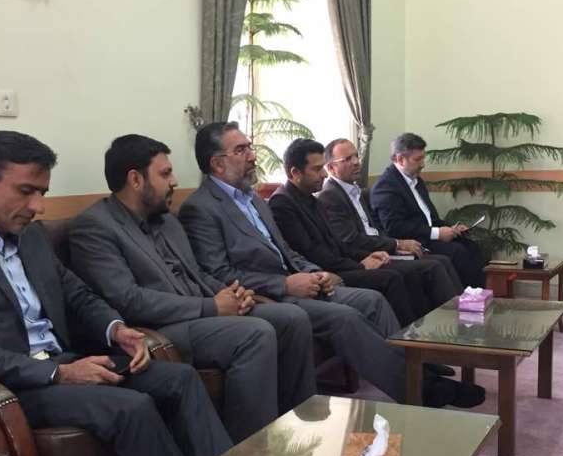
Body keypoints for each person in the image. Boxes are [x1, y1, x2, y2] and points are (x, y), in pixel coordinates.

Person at [0, 130, 232, 456]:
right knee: (130, 407)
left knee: (180, 379)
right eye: (26, 191)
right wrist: (58, 373)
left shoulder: (30, 235)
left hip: (63, 362)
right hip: (7, 389)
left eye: (42, 193)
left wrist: (116, 329)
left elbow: (76, 295)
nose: (38, 206)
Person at [178, 121, 485, 408]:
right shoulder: (200, 208)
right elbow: (218, 274)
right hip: (266, 296)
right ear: (217, 163)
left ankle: (419, 372)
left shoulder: (254, 200)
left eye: (249, 147)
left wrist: (315, 272)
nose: (252, 155)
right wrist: (285, 283)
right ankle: (421, 391)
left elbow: (285, 251)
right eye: (241, 150)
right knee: (345, 317)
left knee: (372, 300)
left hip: (303, 280)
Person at [68, 134, 316, 442]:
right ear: (135, 179)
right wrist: (212, 306)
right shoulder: (95, 227)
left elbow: (197, 274)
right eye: (165, 174)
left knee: (291, 318)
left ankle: (296, 423)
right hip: (158, 328)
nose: (174, 181)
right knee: (255, 334)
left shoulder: (166, 221)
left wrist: (233, 293)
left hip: (201, 314)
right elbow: (128, 300)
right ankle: (250, 450)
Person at [269, 138, 426, 327]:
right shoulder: (282, 203)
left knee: (407, 269)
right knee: (391, 278)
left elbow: (337, 243)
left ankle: (419, 333)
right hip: (323, 273)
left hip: (339, 264)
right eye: (317, 169)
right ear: (295, 173)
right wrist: (359, 266)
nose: (324, 175)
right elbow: (310, 251)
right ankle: (406, 338)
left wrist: (366, 256)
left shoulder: (312, 199)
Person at [317, 137, 463, 300]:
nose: (356, 162)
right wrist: (395, 244)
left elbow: (375, 229)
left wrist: (395, 246)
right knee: (431, 267)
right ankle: (450, 312)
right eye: (347, 159)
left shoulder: (355, 191)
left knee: (441, 260)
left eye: (356, 156)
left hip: (381, 249)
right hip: (364, 256)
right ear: (331, 168)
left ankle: (464, 306)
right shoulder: (330, 196)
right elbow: (350, 239)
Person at [371, 132, 487, 288]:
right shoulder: (386, 186)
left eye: (423, 158)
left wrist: (451, 228)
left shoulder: (416, 181)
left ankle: (478, 295)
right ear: (400, 159)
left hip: (426, 236)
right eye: (417, 159)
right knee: (457, 251)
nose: (423, 164)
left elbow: (430, 219)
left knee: (472, 247)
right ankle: (463, 298)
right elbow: (394, 227)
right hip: (411, 243)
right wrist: (438, 233)